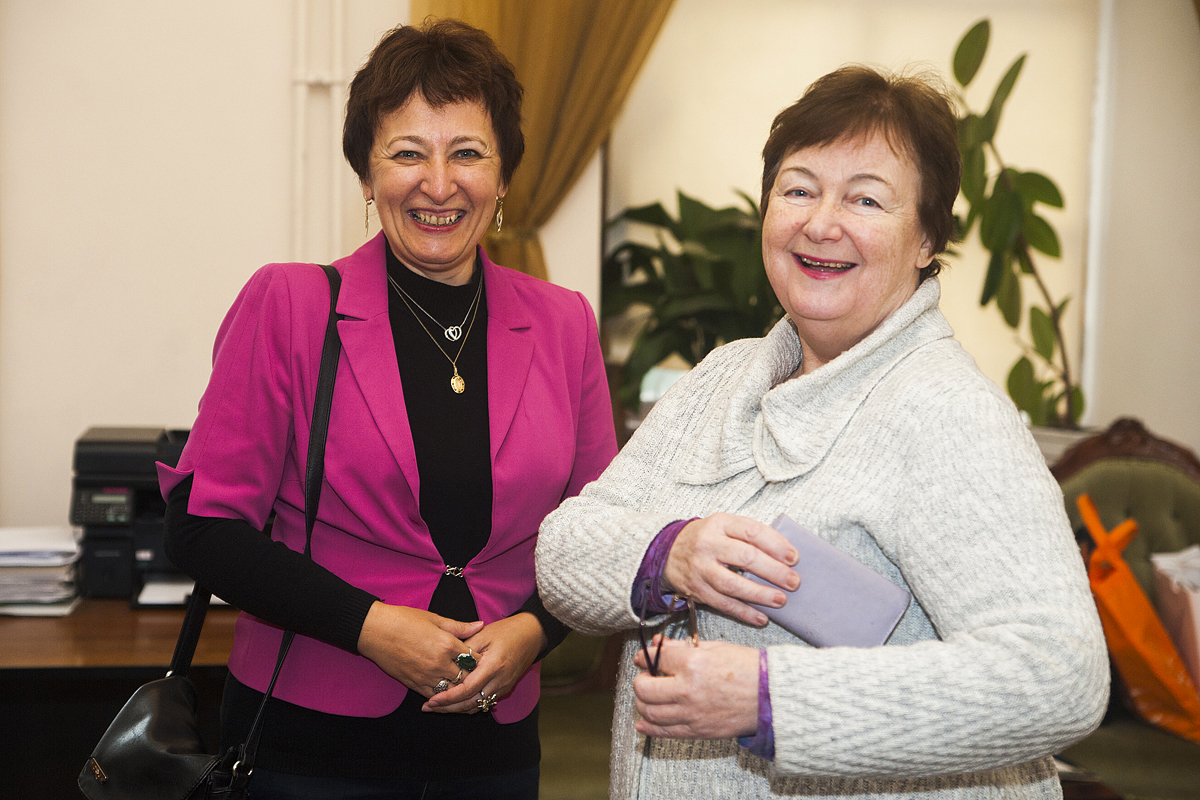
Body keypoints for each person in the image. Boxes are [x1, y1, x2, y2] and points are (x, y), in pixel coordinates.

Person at [536, 65, 1108, 799]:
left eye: (865, 199)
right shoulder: (721, 377)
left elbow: (1058, 674)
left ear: (927, 238)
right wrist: (669, 553)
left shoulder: (947, 411)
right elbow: (563, 550)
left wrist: (770, 699)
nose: (820, 223)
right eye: (799, 189)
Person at [159, 18, 617, 799]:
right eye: (407, 153)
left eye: (467, 153)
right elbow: (203, 528)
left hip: (494, 748)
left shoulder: (562, 322)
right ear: (366, 177)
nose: (438, 184)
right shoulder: (291, 305)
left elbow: (603, 533)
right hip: (306, 746)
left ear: (504, 176)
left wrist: (534, 632)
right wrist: (372, 626)